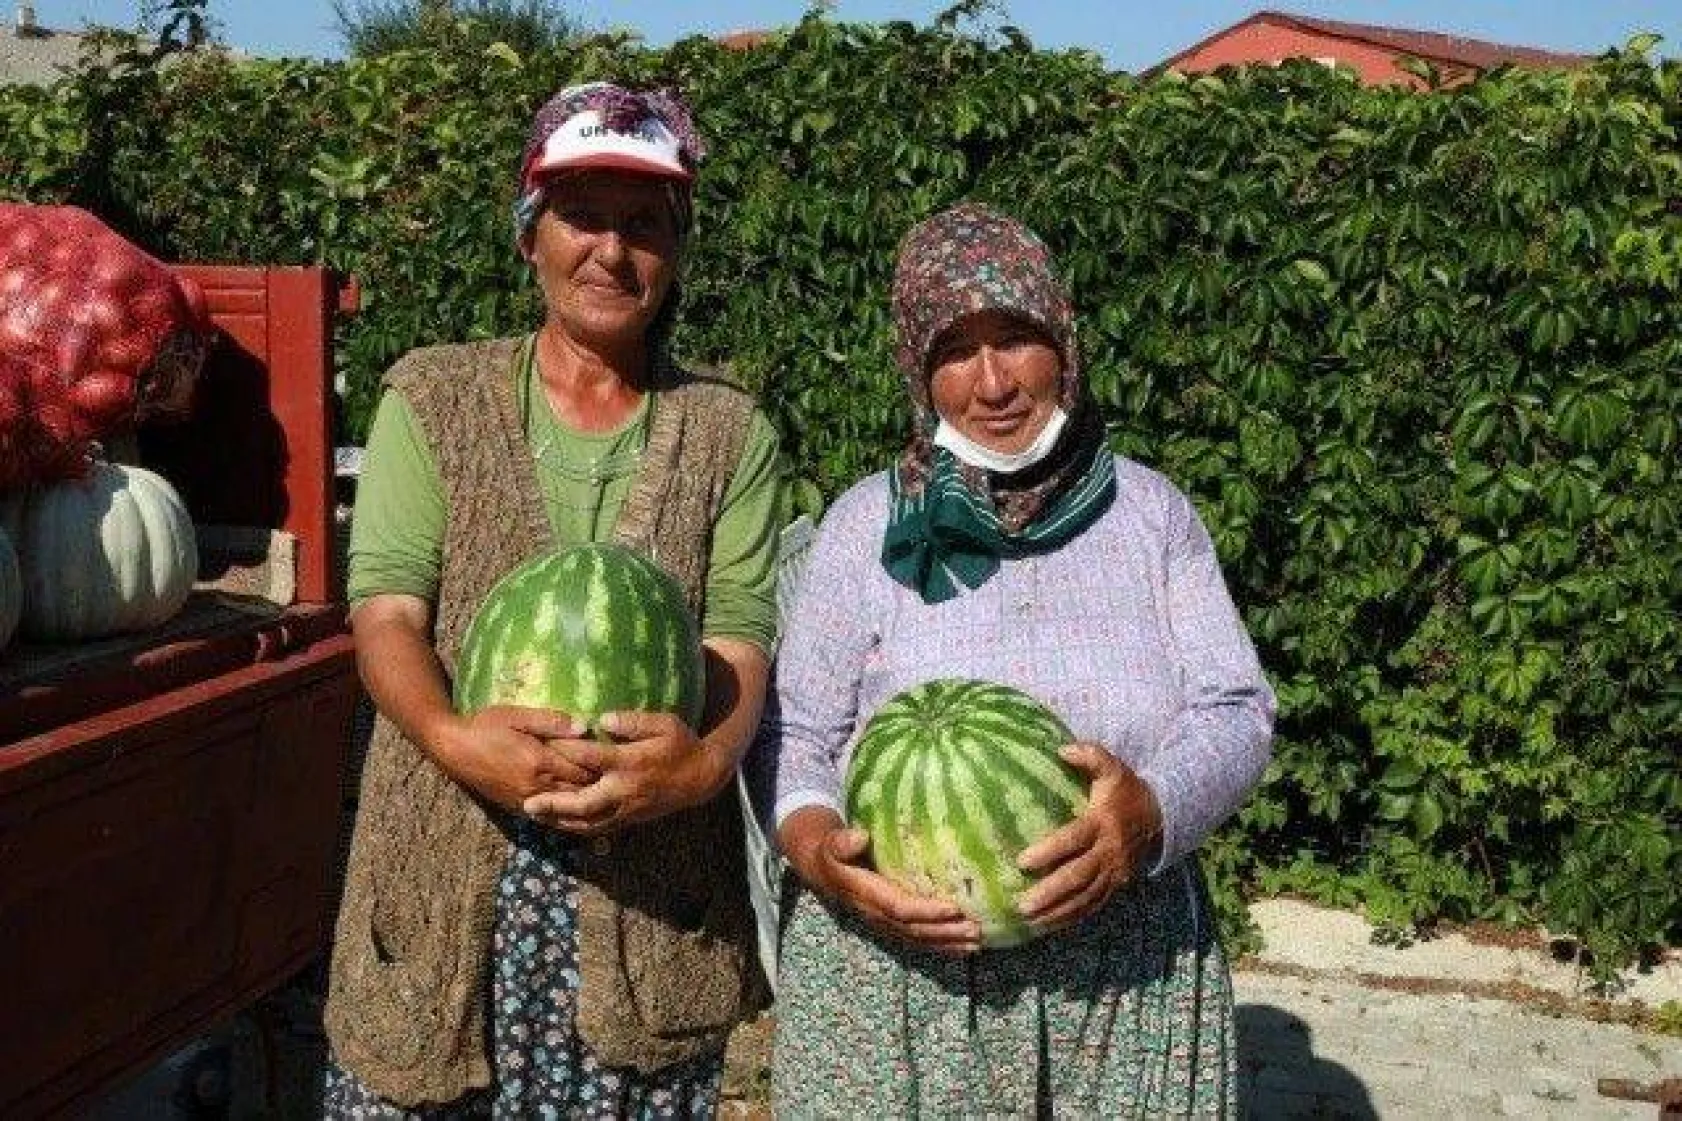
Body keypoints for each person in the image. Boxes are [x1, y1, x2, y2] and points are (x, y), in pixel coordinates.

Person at [321, 82, 786, 1118]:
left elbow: (740, 637)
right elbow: (386, 611)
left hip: (648, 900)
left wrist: (703, 765)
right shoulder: (430, 398)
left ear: (678, 249)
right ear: (530, 233)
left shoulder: (728, 433)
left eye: (644, 224)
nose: (610, 253)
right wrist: (452, 734)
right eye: (582, 216)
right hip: (443, 878)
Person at [760, 202, 1275, 1116]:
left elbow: (1237, 708)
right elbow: (796, 731)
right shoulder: (861, 526)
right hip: (897, 983)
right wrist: (816, 850)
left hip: (1127, 969)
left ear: (1063, 341)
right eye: (955, 351)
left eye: (1016, 338)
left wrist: (1149, 813)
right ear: (919, 371)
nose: (992, 382)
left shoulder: (1151, 516)